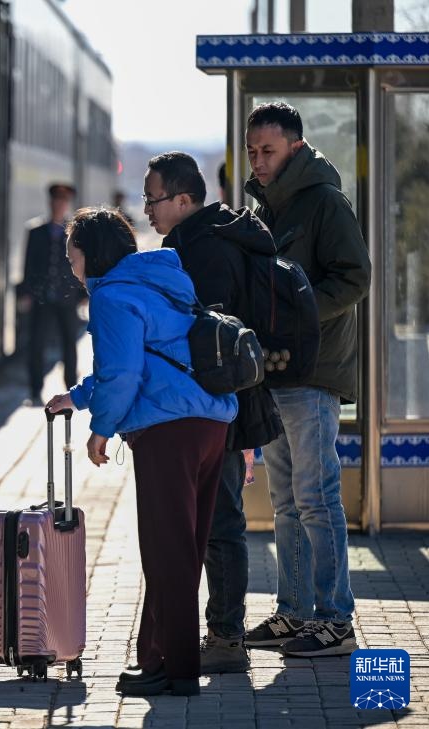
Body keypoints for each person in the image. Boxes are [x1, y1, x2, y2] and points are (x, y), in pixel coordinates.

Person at [46, 208, 238, 696]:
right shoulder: (164, 281)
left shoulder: (112, 296)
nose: (71, 266)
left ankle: (178, 669)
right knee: (182, 548)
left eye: (72, 256)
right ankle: (156, 657)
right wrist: (79, 396)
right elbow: (149, 357)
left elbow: (124, 373)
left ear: (91, 255)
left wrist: (101, 428)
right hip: (210, 423)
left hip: (168, 432)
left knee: (166, 551)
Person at [144, 151, 283, 674]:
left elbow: (209, 336)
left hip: (219, 404)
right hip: (221, 403)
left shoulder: (203, 249)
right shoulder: (202, 238)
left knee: (221, 522)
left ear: (183, 200)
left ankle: (225, 637)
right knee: (216, 519)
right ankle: (221, 633)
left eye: (153, 199)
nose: (147, 210)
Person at [242, 102, 370, 657]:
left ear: (295, 148)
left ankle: (335, 620)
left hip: (314, 372)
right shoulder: (265, 210)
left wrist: (297, 313)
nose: (258, 161)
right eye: (252, 151)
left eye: (268, 151)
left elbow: (355, 277)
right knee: (286, 502)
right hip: (276, 373)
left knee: (316, 498)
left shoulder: (325, 203)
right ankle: (293, 613)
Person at [18, 182, 84, 406]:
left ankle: (71, 389)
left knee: (69, 344)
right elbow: (28, 265)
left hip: (67, 297)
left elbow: (81, 263)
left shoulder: (74, 232)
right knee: (36, 343)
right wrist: (26, 292)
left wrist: (83, 294)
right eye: (56, 201)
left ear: (67, 205)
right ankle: (35, 390)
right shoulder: (36, 231)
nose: (59, 205)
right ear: (50, 203)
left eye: (63, 201)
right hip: (42, 297)